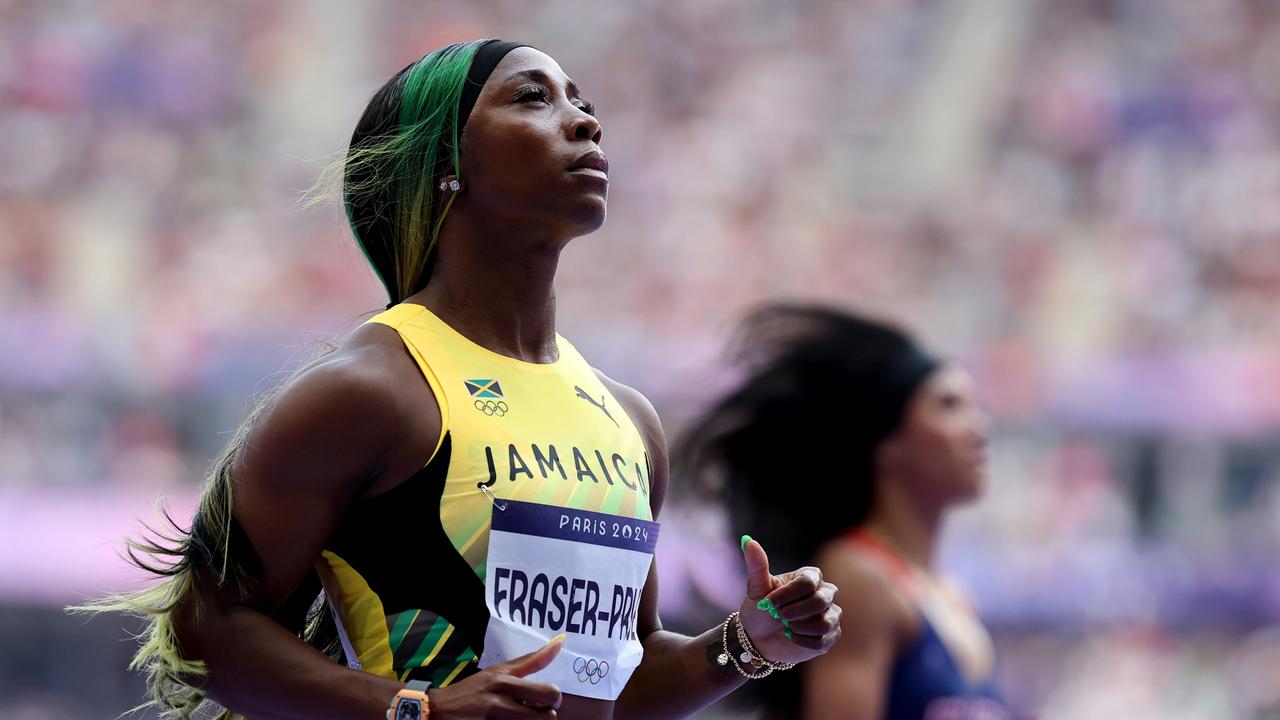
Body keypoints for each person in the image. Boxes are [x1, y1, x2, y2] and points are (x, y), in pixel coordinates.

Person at [76, 40, 842, 720]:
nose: (584, 122)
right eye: (534, 98)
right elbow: (202, 632)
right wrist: (415, 709)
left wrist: (750, 643)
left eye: (585, 103)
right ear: (444, 162)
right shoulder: (374, 390)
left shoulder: (628, 421)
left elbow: (615, 686)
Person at [678, 304, 1008, 720]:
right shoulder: (860, 578)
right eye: (949, 404)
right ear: (887, 442)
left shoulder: (951, 594)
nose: (980, 428)